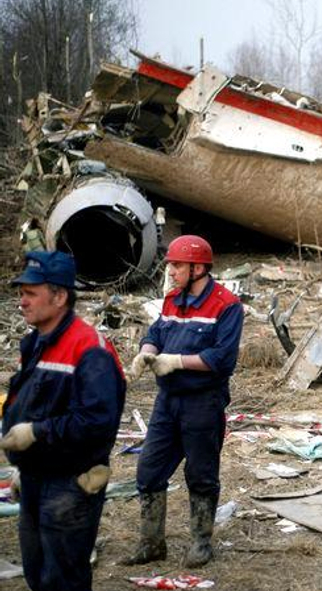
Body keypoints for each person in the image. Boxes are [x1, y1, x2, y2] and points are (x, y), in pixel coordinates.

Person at [1, 251, 126, 591]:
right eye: (21, 292)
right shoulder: (37, 342)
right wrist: (22, 464)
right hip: (36, 478)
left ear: (59, 297)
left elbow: (97, 421)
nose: (22, 301)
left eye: (31, 293)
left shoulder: (89, 350)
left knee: (62, 580)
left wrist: (36, 433)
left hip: (70, 485)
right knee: (38, 573)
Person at [123, 235, 243, 568]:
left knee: (201, 473)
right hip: (168, 400)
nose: (171, 271)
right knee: (148, 470)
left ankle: (201, 542)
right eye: (171, 265)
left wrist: (176, 361)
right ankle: (151, 543)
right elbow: (156, 334)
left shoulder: (226, 305)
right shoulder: (172, 300)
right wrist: (146, 353)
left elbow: (222, 358)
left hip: (203, 401)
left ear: (198, 267)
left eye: (177, 265)